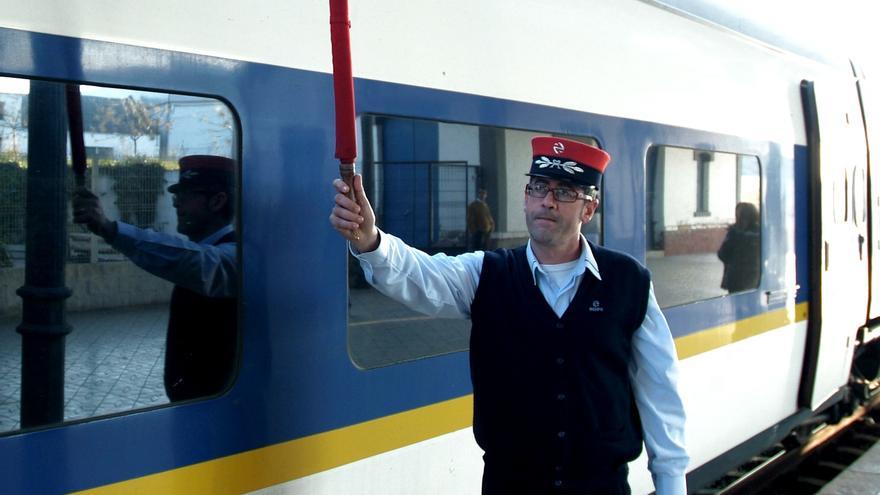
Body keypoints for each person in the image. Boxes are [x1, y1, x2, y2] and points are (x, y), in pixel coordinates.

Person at [330, 137, 688, 494]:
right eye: (538, 187)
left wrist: (671, 485)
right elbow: (422, 276)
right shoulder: (487, 273)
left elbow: (659, 391)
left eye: (564, 192)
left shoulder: (628, 282)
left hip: (601, 485)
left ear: (589, 209)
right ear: (525, 196)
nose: (547, 201)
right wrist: (371, 241)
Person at [73, 155, 238, 402]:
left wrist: (109, 228)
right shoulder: (217, 252)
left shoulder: (233, 256)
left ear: (217, 201)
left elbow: (193, 262)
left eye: (185, 196)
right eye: (175, 197)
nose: (176, 205)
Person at [717, 202, 760, 293]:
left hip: (736, 279)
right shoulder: (761, 232)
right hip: (755, 278)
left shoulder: (735, 233)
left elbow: (723, 254)